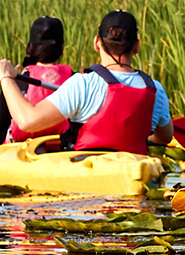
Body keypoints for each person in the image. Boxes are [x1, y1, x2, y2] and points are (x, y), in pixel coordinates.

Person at [0, 10, 172, 154]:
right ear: (136, 46)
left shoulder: (82, 84)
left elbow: (27, 121)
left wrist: (6, 78)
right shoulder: (156, 89)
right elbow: (164, 138)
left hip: (86, 180)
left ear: (97, 43)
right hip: (133, 173)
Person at [0, 16, 74, 142]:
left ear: (30, 47)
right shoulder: (75, 80)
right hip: (63, 151)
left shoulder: (15, 84)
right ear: (61, 48)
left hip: (22, 153)